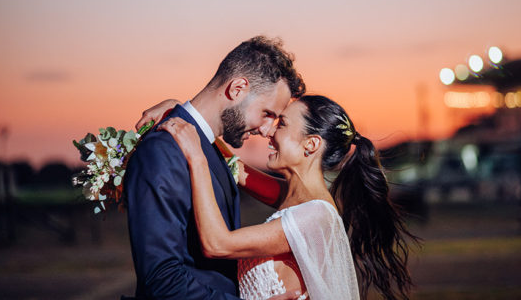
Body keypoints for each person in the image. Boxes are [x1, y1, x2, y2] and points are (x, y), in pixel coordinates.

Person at [156, 95, 418, 300]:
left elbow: (217, 244)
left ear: (311, 144)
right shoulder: (294, 198)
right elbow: (234, 166)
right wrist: (185, 114)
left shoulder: (314, 217)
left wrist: (196, 157)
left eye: (282, 124)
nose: (268, 132)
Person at [124, 36, 305, 300]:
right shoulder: (163, 150)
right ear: (238, 89)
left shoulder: (206, 149)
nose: (267, 130)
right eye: (267, 113)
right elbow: (161, 281)